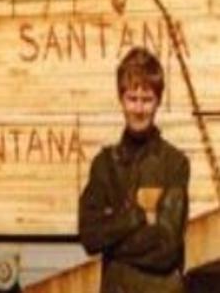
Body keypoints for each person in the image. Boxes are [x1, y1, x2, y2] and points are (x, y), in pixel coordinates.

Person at [79, 47, 189, 293]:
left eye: (147, 99)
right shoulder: (104, 166)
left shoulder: (174, 164)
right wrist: (136, 217)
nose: (139, 109)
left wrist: (112, 242)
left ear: (158, 101)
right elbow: (89, 236)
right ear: (121, 99)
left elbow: (167, 248)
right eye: (132, 98)